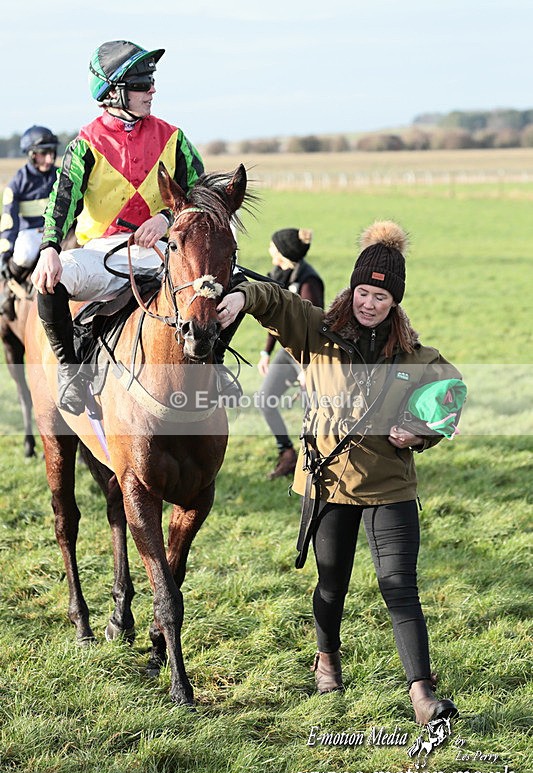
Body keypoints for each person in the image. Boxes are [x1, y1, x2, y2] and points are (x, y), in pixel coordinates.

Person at [217, 220, 463, 725]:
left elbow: (450, 394)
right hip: (329, 485)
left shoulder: (415, 357)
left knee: (400, 586)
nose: (368, 303)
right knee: (333, 584)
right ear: (351, 289)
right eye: (362, 292)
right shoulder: (316, 331)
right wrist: (242, 298)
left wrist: (420, 432)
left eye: (379, 296)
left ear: (394, 302)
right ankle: (327, 659)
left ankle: (422, 693)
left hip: (390, 486)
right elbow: (274, 299)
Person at [31, 40, 205, 415]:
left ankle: (213, 366)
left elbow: (203, 195)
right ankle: (70, 370)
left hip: (164, 254)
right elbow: (61, 202)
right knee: (49, 281)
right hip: (103, 256)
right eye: (143, 83)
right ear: (113, 91)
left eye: (151, 81)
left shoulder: (173, 137)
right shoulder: (85, 144)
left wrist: (166, 219)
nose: (152, 89)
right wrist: (48, 247)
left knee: (225, 281)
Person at [257, 228, 324, 479]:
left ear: (284, 251)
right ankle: (287, 454)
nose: (270, 251)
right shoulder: (280, 274)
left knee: (313, 411)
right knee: (265, 400)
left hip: (308, 354)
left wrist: (306, 369)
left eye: (273, 246)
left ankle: (316, 465)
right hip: (288, 351)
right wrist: (266, 352)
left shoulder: (308, 282)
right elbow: (277, 317)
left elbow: (312, 329)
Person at [0, 126, 59, 319]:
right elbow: (9, 221)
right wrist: (5, 251)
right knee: (25, 253)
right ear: (32, 155)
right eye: (44, 154)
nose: (49, 159)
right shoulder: (17, 183)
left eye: (52, 153)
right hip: (30, 233)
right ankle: (7, 290)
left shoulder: (60, 175)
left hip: (56, 231)